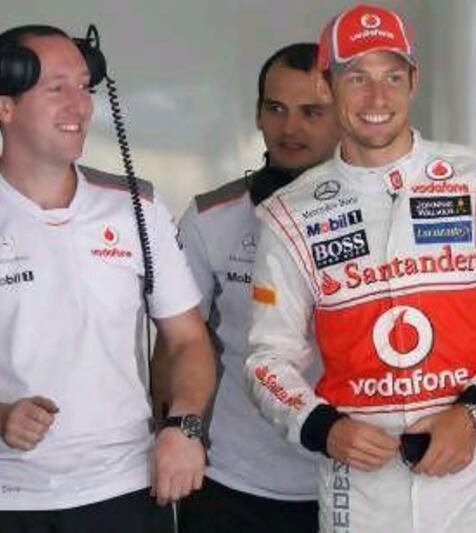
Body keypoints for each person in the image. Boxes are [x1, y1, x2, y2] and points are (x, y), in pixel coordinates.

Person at [245, 4, 476, 532]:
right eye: (358, 78)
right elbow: (267, 357)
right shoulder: (290, 214)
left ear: (413, 80)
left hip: (473, 472)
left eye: (392, 77)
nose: (378, 99)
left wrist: (474, 413)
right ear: (327, 86)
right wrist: (320, 426)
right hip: (360, 482)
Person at [0, 25, 214, 533]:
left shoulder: (138, 206)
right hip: (2, 502)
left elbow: (189, 339)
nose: (81, 106)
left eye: (85, 87)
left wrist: (184, 426)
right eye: (56, 88)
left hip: (128, 491)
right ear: (4, 105)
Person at [151, 43, 340, 532]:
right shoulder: (209, 217)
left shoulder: (385, 218)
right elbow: (174, 343)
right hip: (228, 483)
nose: (290, 128)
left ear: (343, 116)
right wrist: (174, 433)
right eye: (275, 109)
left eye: (311, 112)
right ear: (257, 115)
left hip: (347, 480)